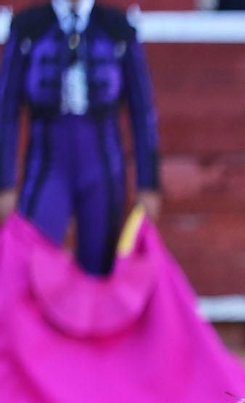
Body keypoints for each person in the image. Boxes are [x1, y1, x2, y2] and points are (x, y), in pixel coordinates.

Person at [0, 0, 160, 276]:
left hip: (103, 166)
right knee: (33, 262)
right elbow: (6, 111)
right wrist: (4, 182)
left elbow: (142, 111)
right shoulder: (28, 27)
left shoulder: (117, 28)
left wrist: (148, 183)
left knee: (99, 270)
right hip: (47, 164)